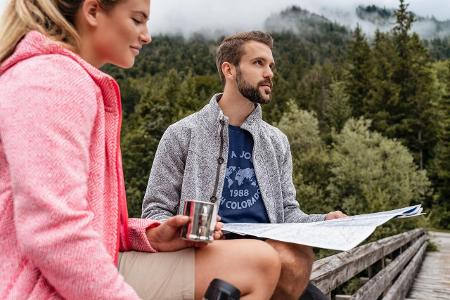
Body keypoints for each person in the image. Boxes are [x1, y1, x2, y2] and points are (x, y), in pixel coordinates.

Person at [0, 2, 281, 299]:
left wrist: (149, 235)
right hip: (37, 285)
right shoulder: (51, 81)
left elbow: (87, 221)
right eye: (137, 20)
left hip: (79, 262)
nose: (146, 36)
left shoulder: (64, 78)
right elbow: (54, 234)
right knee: (261, 264)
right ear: (93, 11)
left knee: (260, 262)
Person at [142, 31, 346, 299]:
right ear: (229, 69)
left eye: (271, 65)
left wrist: (324, 221)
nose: (269, 73)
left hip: (271, 255)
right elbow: (153, 213)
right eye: (258, 63)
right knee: (287, 259)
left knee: (297, 259)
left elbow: (287, 213)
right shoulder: (182, 134)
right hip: (208, 254)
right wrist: (186, 228)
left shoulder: (277, 142)